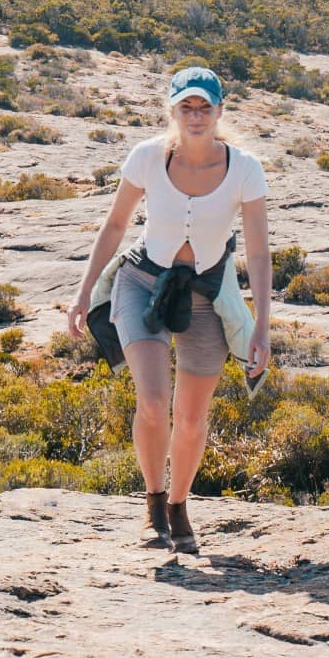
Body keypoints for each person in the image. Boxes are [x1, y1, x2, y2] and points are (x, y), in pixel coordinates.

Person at [67, 66, 271, 554]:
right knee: (154, 404)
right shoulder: (146, 158)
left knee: (193, 417)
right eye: (187, 107)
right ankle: (154, 505)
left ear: (220, 111)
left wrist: (262, 324)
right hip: (142, 282)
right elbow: (115, 225)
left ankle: (180, 506)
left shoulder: (244, 168)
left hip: (207, 292)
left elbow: (260, 252)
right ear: (172, 111)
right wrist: (83, 291)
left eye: (205, 107)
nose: (195, 116)